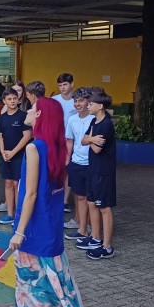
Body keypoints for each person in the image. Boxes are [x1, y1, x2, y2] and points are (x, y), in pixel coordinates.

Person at [0, 97, 89, 307]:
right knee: (29, 278)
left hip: (33, 227)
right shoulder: (56, 146)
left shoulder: (34, 148)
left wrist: (19, 231)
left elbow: (30, 194)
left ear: (40, 116)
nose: (28, 110)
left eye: (33, 108)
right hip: (50, 225)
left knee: (44, 284)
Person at [76, 91, 117, 260]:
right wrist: (91, 139)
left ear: (100, 106)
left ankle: (107, 247)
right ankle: (95, 237)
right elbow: (83, 140)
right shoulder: (94, 121)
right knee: (91, 202)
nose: (88, 105)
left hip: (103, 172)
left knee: (104, 207)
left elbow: (96, 149)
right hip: (93, 169)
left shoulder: (106, 125)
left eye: (91, 103)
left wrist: (90, 140)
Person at [0, 88, 32, 225]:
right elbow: (0, 137)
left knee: (17, 184)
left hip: (20, 155)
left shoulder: (23, 116)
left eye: (14, 98)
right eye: (9, 99)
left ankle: (19, 215)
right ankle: (10, 214)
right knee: (8, 183)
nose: (12, 101)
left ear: (18, 99)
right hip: (6, 156)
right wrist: (3, 152)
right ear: (4, 101)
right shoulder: (2, 118)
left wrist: (13, 152)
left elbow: (27, 136)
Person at [64, 88, 94, 242]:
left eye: (81, 100)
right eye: (75, 101)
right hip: (76, 162)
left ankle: (93, 230)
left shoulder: (94, 119)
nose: (77, 104)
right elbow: (70, 140)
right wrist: (67, 159)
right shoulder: (72, 120)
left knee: (91, 198)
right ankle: (82, 230)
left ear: (89, 101)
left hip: (92, 163)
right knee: (80, 197)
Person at [52, 73, 77, 218]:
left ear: (71, 84)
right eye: (60, 85)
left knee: (68, 170)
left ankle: (65, 200)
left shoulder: (77, 101)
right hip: (57, 140)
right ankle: (54, 196)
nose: (62, 88)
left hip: (73, 140)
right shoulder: (55, 100)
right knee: (56, 169)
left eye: (65, 84)